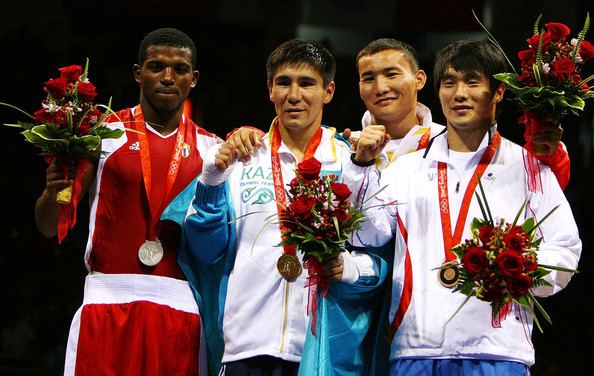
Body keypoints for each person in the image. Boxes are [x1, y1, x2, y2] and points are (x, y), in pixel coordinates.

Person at [353, 40, 581, 375]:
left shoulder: (528, 168)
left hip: (498, 351)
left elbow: (566, 251)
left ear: (498, 92)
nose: (459, 94)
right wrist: (361, 169)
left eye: (472, 82)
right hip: (416, 349)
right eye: (449, 83)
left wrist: (521, 268)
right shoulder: (405, 169)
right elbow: (367, 235)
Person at [180, 39, 387, 376]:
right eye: (284, 83)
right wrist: (211, 181)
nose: (294, 95)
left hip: (322, 350)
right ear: (270, 90)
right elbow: (206, 251)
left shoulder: (351, 159)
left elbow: (379, 242)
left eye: (307, 83)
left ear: (328, 91)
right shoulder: (241, 157)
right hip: (247, 343)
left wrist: (350, 265)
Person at [35, 28, 219, 375]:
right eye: (156, 66)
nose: (168, 77)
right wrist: (53, 192)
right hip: (107, 303)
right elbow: (50, 224)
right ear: (138, 73)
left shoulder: (213, 151)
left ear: (193, 79)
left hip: (179, 310)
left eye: (179, 69)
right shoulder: (101, 135)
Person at [349, 38, 570, 187]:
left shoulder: (455, 143)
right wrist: (359, 164)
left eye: (391, 74)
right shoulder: (343, 148)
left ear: (420, 80)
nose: (381, 88)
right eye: (368, 78)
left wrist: (548, 156)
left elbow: (522, 188)